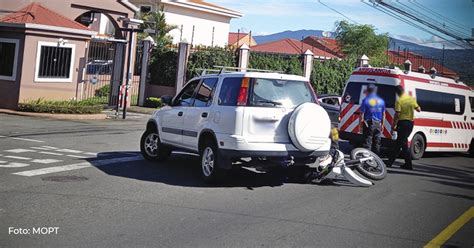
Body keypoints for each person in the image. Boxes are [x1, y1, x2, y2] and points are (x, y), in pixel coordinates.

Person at [387, 85, 421, 170]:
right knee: (402, 143)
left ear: (397, 93)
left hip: (403, 124)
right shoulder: (411, 99)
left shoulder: (399, 101)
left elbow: (397, 114)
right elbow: (419, 109)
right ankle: (406, 164)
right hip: (410, 124)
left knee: (400, 144)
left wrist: (393, 126)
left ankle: (391, 162)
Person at [359, 84, 385, 155]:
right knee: (377, 142)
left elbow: (361, 114)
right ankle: (376, 158)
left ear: (367, 91)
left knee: (367, 141)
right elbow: (383, 114)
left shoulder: (366, 100)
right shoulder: (381, 101)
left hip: (369, 124)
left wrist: (360, 125)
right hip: (378, 124)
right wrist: (382, 124)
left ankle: (366, 159)